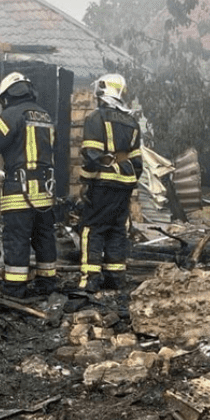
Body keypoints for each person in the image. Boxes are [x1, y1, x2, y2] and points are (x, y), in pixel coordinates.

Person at [0, 72, 58, 298]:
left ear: (6, 96)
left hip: (19, 191)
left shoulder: (11, 115)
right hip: (45, 191)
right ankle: (47, 285)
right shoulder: (44, 115)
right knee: (44, 237)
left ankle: (14, 289)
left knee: (17, 239)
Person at [77, 73, 142, 291]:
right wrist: (128, 182)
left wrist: (84, 181)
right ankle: (116, 277)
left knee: (92, 228)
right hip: (124, 183)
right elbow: (138, 162)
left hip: (102, 182)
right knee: (116, 229)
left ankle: (90, 278)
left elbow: (92, 155)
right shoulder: (132, 121)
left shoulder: (96, 118)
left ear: (103, 92)